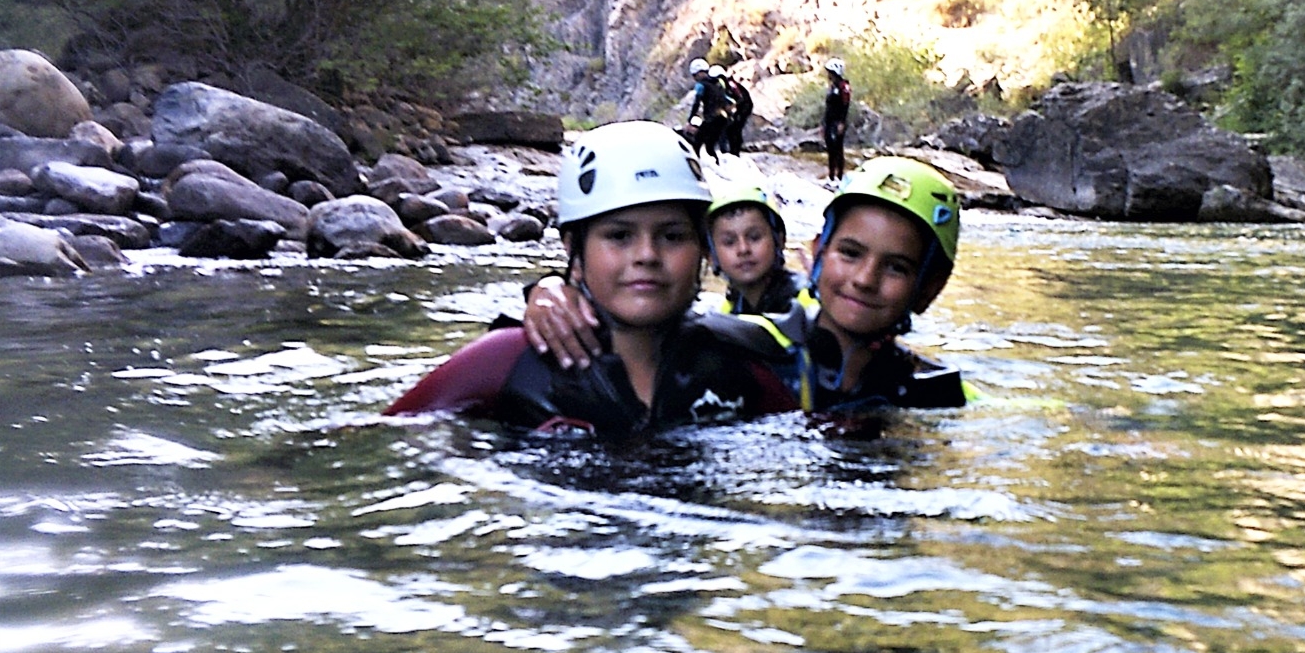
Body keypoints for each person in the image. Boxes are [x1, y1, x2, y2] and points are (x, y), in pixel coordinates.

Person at [386, 122, 796, 440]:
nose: (647, 255)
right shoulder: (507, 361)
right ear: (573, 252)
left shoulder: (739, 365)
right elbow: (379, 436)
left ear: (704, 251)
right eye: (619, 236)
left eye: (672, 236)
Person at [525, 156, 967, 412]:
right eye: (849, 253)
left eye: (896, 268)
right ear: (816, 253)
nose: (864, 279)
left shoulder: (933, 386)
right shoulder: (751, 342)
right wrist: (551, 289)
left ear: (929, 287)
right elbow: (639, 322)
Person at [706, 181, 808, 315]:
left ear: (780, 240)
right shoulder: (727, 311)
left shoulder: (807, 305)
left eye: (754, 237)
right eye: (729, 242)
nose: (743, 249)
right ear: (711, 256)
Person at [683, 58, 731, 159]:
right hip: (724, 118)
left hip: (712, 118)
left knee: (697, 143)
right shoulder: (717, 83)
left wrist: (690, 120)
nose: (695, 78)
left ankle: (695, 167)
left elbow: (697, 103)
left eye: (695, 75)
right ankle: (720, 164)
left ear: (699, 73)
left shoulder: (700, 85)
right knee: (710, 146)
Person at [821, 57, 850, 183]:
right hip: (829, 122)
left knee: (838, 149)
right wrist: (823, 124)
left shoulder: (843, 86)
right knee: (830, 150)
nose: (828, 75)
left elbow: (845, 106)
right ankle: (831, 176)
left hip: (837, 122)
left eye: (830, 72)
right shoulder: (832, 87)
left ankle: (839, 177)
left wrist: (842, 123)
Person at [718, 69, 753, 157]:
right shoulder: (725, 84)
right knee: (731, 129)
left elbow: (740, 99)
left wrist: (734, 109)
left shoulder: (730, 84)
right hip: (740, 107)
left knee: (735, 128)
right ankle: (733, 150)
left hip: (744, 107)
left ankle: (735, 151)